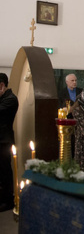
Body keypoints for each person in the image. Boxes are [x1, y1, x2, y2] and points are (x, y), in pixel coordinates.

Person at [0, 73, 18, 212]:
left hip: (4, 141)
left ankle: (8, 200)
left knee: (5, 171)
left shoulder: (11, 99)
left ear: (1, 86)